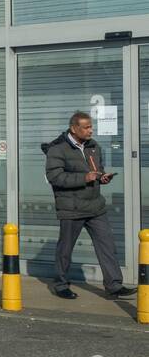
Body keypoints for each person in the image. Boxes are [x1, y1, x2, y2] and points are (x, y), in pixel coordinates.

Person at [43, 111, 134, 301]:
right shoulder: (57, 149)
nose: (91, 130)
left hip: (95, 206)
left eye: (91, 126)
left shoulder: (94, 146)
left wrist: (101, 177)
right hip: (71, 207)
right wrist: (84, 178)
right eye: (86, 127)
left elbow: (96, 170)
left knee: (107, 245)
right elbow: (55, 177)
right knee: (65, 249)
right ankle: (60, 285)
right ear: (74, 128)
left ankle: (114, 285)